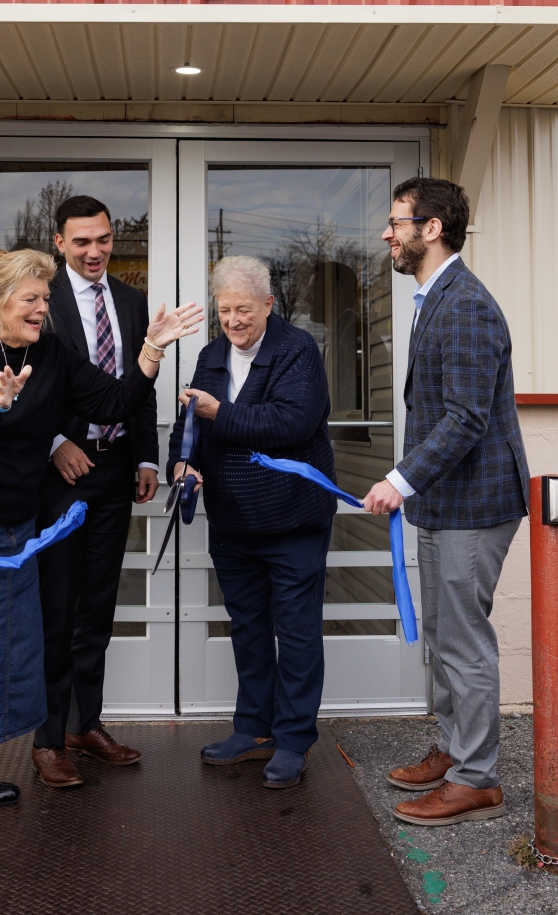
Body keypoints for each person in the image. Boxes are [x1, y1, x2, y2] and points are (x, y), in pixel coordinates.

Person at [0, 249, 201, 830]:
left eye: (46, 299)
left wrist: (152, 348)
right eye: (31, 298)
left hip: (4, 526)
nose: (42, 308)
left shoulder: (49, 353)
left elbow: (113, 403)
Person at [360, 176, 529, 826]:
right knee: (442, 635)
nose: (387, 233)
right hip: (443, 500)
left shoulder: (465, 305)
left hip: (476, 504)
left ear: (431, 229)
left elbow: (465, 418)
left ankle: (476, 779)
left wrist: (399, 480)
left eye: (397, 222)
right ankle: (456, 749)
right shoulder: (435, 297)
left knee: (463, 641)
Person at [172, 255, 336, 790]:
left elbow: (292, 423)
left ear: (268, 304)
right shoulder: (211, 355)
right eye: (224, 311)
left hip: (294, 521)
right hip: (233, 523)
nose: (233, 321)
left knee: (297, 633)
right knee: (248, 630)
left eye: (243, 309)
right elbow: (189, 420)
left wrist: (220, 413)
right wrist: (183, 462)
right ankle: (253, 729)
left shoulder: (297, 350)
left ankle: (293, 740)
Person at [31, 196, 160, 788]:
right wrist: (54, 442)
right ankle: (48, 738)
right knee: (56, 609)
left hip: (114, 473)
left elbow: (140, 386)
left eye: (103, 239)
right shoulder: (43, 300)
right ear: (59, 243)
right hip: (61, 475)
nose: (94, 252)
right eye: (81, 241)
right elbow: (30, 384)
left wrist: (146, 455)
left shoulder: (131, 301)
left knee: (98, 607)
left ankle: (86, 724)